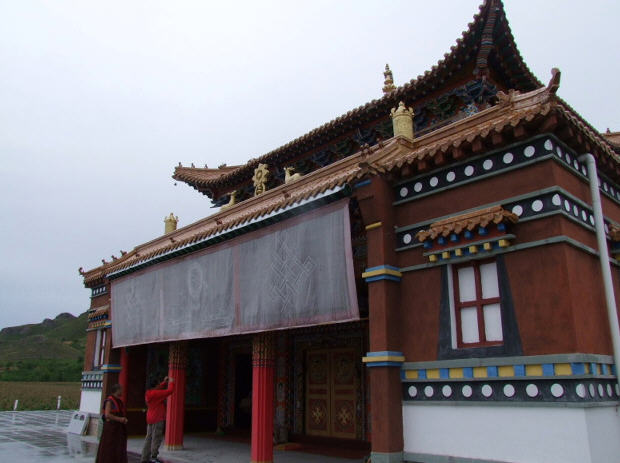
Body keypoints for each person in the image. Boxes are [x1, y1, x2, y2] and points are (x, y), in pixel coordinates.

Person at [141, 375, 175, 463]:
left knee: (148, 438)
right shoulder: (156, 394)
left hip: (150, 417)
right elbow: (170, 391)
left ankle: (144, 457)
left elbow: (158, 389)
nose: (159, 385)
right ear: (155, 385)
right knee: (156, 438)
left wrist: (164, 382)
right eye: (158, 383)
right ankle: (154, 457)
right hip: (157, 417)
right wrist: (171, 382)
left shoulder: (149, 393)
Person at [96, 383, 128, 463]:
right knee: (109, 447)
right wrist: (120, 419)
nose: (122, 391)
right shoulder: (109, 401)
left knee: (118, 447)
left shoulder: (119, 401)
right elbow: (107, 414)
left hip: (118, 428)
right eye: (121, 390)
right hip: (111, 428)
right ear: (117, 390)